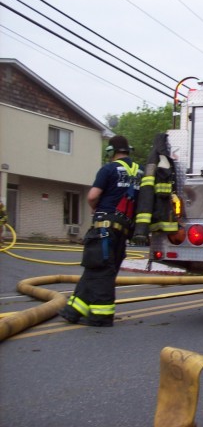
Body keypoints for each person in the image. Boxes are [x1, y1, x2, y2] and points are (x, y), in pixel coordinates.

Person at [59, 135, 142, 327]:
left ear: (112, 152)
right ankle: (74, 309)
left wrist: (93, 207)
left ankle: (101, 315)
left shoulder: (108, 169)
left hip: (104, 228)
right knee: (95, 267)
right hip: (124, 230)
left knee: (101, 268)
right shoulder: (141, 172)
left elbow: (93, 196)